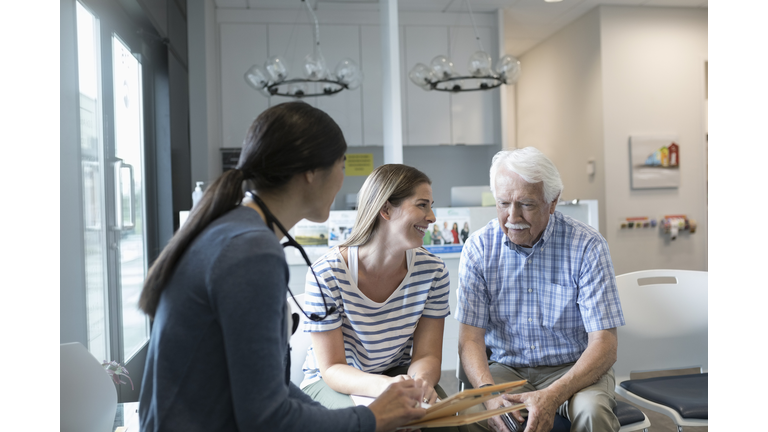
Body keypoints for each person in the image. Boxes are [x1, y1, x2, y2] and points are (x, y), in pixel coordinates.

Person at [137, 102, 426, 432]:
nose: (343, 180)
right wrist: (372, 419)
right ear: (310, 172)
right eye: (341, 165)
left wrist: (345, 417)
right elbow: (266, 418)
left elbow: (267, 387)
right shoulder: (251, 252)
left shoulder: (234, 230)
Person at [456, 147, 625, 432]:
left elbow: (605, 344)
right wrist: (488, 392)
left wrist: (553, 394)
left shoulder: (587, 246)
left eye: (526, 204)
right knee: (470, 416)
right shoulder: (479, 248)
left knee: (591, 412)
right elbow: (470, 338)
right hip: (505, 369)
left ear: (553, 202)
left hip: (574, 368)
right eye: (503, 203)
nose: (513, 216)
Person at [300, 164, 461, 432]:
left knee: (446, 426)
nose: (432, 217)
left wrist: (417, 386)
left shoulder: (433, 271)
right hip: (334, 382)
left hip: (396, 375)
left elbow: (427, 355)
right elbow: (332, 368)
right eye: (422, 205)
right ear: (385, 209)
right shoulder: (326, 273)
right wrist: (390, 390)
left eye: (431, 206)